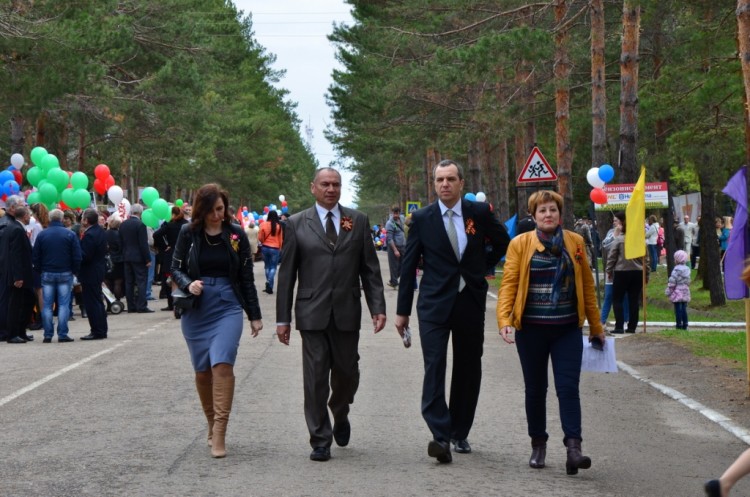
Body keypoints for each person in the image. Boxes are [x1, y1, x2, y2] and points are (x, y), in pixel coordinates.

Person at [395, 159, 510, 463]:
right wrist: (402, 311)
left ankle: (459, 431)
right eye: (439, 180)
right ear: (433, 185)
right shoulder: (421, 218)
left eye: (450, 179)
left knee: (468, 367)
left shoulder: (479, 214)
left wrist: (481, 267)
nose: (444, 184)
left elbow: (502, 243)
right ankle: (440, 435)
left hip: (469, 300)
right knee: (435, 365)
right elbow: (408, 268)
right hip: (433, 304)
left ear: (461, 184)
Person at [275, 167, 386, 462]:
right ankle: (320, 439)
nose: (331, 189)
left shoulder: (358, 221)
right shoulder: (297, 224)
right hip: (311, 313)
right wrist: (282, 318)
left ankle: (340, 410)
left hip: (347, 311)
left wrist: (378, 307)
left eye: (336, 184)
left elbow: (370, 269)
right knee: (315, 377)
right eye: (325, 184)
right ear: (313, 187)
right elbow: (286, 275)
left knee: (347, 374)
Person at [496, 189, 603, 475]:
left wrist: (596, 326)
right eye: (542, 210)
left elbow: (587, 289)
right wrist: (504, 319)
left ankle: (574, 448)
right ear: (533, 216)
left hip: (567, 329)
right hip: (531, 330)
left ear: (559, 213)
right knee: (536, 389)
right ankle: (538, 443)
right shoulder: (520, 244)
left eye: (552, 210)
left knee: (568, 389)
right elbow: (509, 284)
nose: (548, 215)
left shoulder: (576, 243)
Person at [171, 183, 263, 458]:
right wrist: (188, 284)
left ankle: (220, 431)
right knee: (202, 371)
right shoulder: (188, 233)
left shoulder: (236, 234)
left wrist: (254, 315)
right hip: (197, 308)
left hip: (227, 305)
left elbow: (246, 277)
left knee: (222, 364)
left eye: (220, 209)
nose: (216, 215)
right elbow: (175, 267)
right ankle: (210, 424)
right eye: (211, 210)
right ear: (202, 210)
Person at [32, 208, 81, 343]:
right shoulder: (70, 234)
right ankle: (62, 333)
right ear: (61, 218)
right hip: (65, 272)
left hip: (47, 272)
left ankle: (48, 334)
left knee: (47, 305)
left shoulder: (42, 235)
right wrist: (74, 271)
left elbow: (35, 255)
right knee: (64, 304)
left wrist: (39, 270)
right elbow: (77, 256)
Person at [606, 211, 649, 334]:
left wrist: (609, 270)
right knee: (633, 300)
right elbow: (646, 259)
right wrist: (647, 274)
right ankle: (632, 327)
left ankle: (619, 326)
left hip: (622, 271)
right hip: (638, 272)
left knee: (617, 299)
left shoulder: (619, 240)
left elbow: (612, 256)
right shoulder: (640, 240)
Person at [1, 198, 36, 343]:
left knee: (27, 300)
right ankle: (13, 333)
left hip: (20, 273)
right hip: (16, 274)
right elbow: (15, 255)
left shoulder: (15, 227)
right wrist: (17, 277)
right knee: (15, 304)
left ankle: (20, 331)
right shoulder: (14, 228)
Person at [78, 208, 109, 340]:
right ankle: (101, 329)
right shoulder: (99, 231)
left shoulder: (90, 235)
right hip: (97, 270)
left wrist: (77, 251)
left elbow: (86, 256)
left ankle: (97, 330)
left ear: (86, 220)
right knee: (97, 301)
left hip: (90, 272)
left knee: (92, 302)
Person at [120, 204, 154, 313]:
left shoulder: (123, 224)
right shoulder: (140, 225)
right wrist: (148, 259)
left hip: (127, 256)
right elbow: (143, 244)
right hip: (138, 257)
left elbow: (121, 241)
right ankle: (141, 305)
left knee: (129, 282)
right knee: (141, 281)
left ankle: (131, 306)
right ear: (140, 212)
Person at [154, 206, 188, 312]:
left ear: (173, 214)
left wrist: (165, 246)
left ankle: (171, 304)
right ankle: (184, 302)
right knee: (185, 278)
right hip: (185, 254)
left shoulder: (169, 225)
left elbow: (156, 235)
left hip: (171, 254)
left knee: (169, 280)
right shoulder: (187, 225)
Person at [599, 216, 628, 330]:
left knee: (624, 296)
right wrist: (615, 235)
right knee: (609, 295)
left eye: (616, 220)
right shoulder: (611, 232)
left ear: (622, 222)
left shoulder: (627, 232)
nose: (613, 222)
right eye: (613, 220)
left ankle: (625, 320)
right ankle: (602, 321)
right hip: (611, 269)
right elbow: (605, 245)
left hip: (624, 269)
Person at [258, 210, 283, 294]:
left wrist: (263, 241)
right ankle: (269, 282)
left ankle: (269, 286)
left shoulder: (263, 224)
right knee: (273, 267)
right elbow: (280, 239)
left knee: (267, 266)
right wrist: (280, 248)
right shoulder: (278, 226)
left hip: (265, 247)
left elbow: (260, 237)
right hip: (275, 248)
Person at [665, 249, 691, 330]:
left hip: (677, 292)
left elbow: (672, 283)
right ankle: (685, 324)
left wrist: (668, 292)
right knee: (684, 308)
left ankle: (678, 324)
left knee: (678, 309)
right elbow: (688, 281)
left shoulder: (675, 270)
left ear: (676, 260)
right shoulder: (687, 270)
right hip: (685, 291)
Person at [385, 205, 406, 288]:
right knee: (394, 265)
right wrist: (395, 250)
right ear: (392, 213)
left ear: (399, 213)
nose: (395, 215)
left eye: (397, 213)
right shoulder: (389, 223)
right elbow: (389, 239)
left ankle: (393, 280)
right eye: (394, 213)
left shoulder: (402, 219)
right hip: (393, 247)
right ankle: (395, 283)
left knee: (403, 264)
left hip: (403, 246)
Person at [105, 216, 125, 300]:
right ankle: (117, 301)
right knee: (118, 282)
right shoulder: (120, 235)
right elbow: (121, 247)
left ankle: (110, 303)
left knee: (107, 283)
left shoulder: (104, 233)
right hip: (118, 261)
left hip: (106, 260)